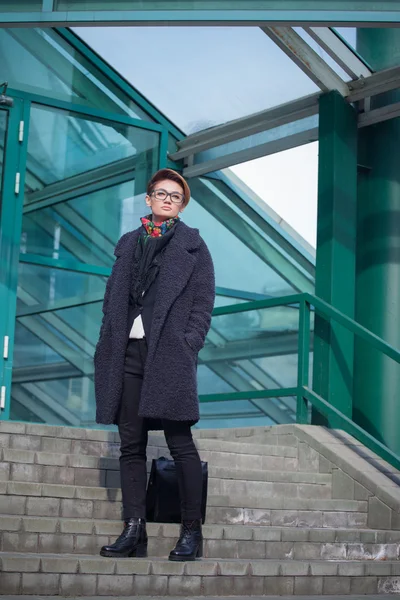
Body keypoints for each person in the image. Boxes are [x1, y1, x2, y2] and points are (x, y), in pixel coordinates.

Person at [94, 168, 215, 562]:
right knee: (131, 444)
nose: (167, 199)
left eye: (175, 196)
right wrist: (107, 338)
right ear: (148, 200)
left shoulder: (194, 247)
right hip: (126, 353)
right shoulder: (128, 244)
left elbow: (202, 303)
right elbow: (114, 299)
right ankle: (134, 529)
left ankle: (192, 532)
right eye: (160, 194)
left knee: (181, 443)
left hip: (168, 355)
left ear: (182, 205)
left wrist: (189, 344)